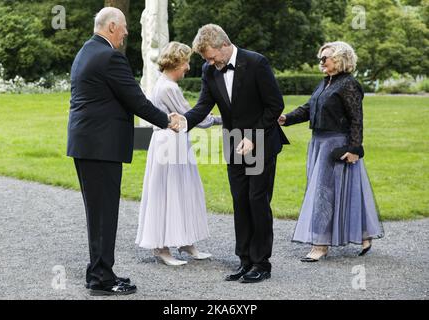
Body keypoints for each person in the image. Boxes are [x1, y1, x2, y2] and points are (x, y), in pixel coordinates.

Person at [67, 7, 184, 296]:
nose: (127, 32)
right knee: (104, 214)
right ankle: (101, 280)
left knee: (98, 214)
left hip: (87, 145)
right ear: (110, 27)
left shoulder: (85, 52)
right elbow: (135, 99)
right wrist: (166, 120)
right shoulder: (110, 57)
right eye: (124, 28)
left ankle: (98, 272)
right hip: (101, 148)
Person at [183, 24, 290, 283]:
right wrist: (182, 122)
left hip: (260, 142)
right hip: (233, 143)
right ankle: (244, 260)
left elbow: (275, 105)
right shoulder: (210, 69)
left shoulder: (256, 63)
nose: (209, 62)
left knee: (257, 200)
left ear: (224, 45)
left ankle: (261, 263)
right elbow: (203, 106)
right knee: (240, 201)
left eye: (210, 56)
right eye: (206, 59)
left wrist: (253, 138)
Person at [279, 41, 384, 262]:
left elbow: (357, 119)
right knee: (342, 191)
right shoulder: (326, 83)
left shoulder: (348, 84)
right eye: (320, 59)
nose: (321, 63)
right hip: (318, 143)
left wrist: (355, 148)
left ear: (339, 59)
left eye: (324, 58)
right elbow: (309, 108)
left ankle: (320, 244)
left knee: (324, 193)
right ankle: (365, 234)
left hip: (336, 145)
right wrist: (286, 118)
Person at [135, 42, 222, 265]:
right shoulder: (169, 88)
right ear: (177, 62)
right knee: (168, 193)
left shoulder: (164, 84)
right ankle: (161, 248)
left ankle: (185, 241)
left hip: (173, 143)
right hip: (168, 144)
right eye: (186, 62)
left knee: (181, 191)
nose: (188, 68)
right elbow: (191, 117)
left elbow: (187, 116)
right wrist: (222, 119)